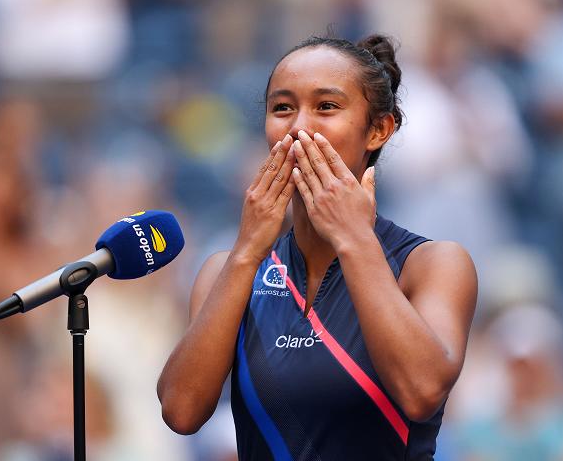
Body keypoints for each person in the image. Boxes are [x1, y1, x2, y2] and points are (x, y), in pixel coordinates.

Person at [157, 34, 478, 460]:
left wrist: (355, 238)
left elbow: (421, 393)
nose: (298, 128)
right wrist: (247, 251)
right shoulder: (228, 269)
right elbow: (181, 411)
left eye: (326, 107)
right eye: (282, 108)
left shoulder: (432, 264)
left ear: (379, 130)